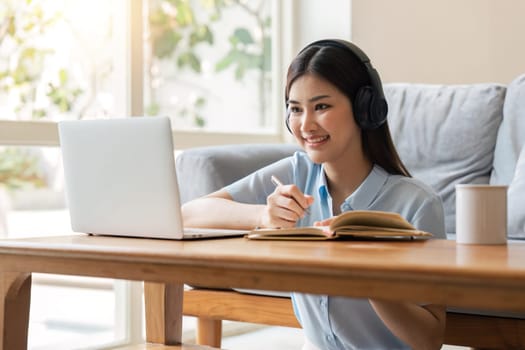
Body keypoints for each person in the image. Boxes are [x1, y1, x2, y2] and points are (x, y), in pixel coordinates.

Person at [182, 39, 446, 350]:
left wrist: (372, 281)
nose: (305, 124)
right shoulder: (297, 173)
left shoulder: (416, 204)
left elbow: (429, 340)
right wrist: (262, 216)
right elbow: (189, 214)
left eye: (321, 106)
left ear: (365, 109)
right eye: (295, 109)